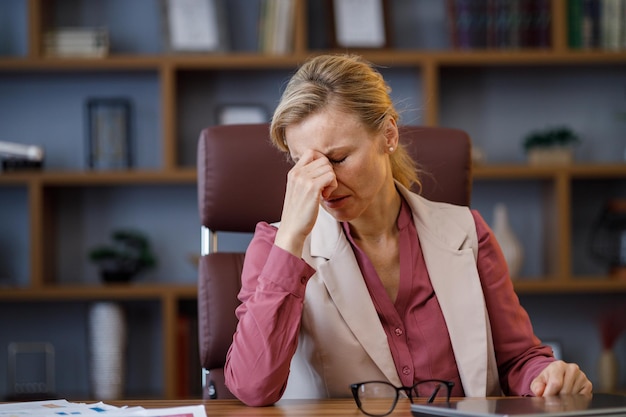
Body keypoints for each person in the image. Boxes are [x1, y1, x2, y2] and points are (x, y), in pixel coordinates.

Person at [223, 54, 592, 407]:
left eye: (338, 159)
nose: (325, 184)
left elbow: (517, 359)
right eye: (304, 165)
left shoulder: (468, 233)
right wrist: (291, 239)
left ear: (388, 135)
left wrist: (547, 376)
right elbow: (253, 387)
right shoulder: (276, 246)